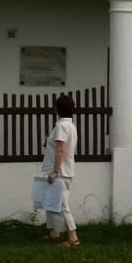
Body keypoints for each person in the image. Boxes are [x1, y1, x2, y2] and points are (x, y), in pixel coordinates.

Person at [41, 93, 80, 247]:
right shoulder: (70, 125)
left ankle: (73, 238)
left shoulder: (61, 126)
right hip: (64, 170)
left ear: (56, 109)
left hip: (60, 172)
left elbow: (60, 150)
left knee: (62, 205)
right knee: (50, 202)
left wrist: (55, 171)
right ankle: (54, 233)